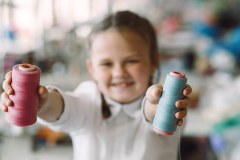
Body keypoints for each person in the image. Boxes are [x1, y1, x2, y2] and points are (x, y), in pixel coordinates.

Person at [1, 10, 192, 160]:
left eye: (131, 61)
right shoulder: (88, 98)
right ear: (91, 68)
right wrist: (42, 103)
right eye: (106, 64)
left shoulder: (168, 103)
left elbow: (152, 113)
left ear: (154, 61)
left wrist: (155, 108)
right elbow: (65, 107)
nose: (119, 73)